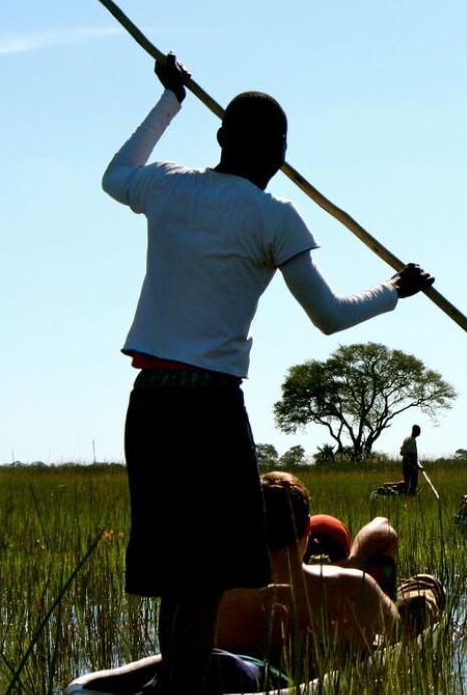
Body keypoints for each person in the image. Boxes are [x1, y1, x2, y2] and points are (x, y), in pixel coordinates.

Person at [102, 54, 434, 694]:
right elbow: (330, 317)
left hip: (149, 402)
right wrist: (394, 290)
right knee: (205, 580)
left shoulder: (168, 185)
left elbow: (116, 174)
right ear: (278, 154)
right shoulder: (275, 215)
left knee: (178, 577)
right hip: (209, 405)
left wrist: (169, 101)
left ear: (221, 136)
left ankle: (177, 682)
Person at [69, 472, 445, 694]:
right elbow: (398, 639)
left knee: (194, 664)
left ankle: (88, 688)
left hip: (225, 668)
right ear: (305, 533)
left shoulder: (211, 594)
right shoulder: (352, 587)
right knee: (421, 602)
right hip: (253, 675)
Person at [399, 425, 421, 496]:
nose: (419, 432)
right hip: (409, 464)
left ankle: (407, 495)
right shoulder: (412, 440)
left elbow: (402, 452)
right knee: (413, 482)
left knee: (407, 482)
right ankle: (411, 496)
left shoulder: (407, 439)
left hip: (405, 463)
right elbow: (411, 455)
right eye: (418, 430)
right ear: (414, 431)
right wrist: (414, 466)